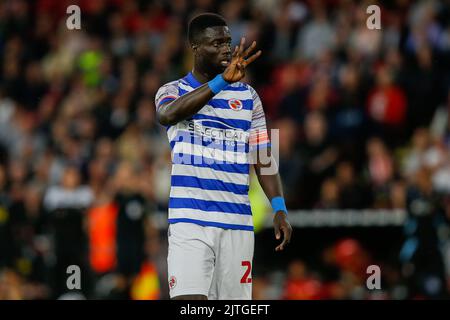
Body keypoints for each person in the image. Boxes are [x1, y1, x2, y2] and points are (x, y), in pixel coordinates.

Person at [154, 13, 292, 300]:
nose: (226, 49)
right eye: (216, 43)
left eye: (228, 42)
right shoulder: (172, 91)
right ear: (195, 48)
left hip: (237, 224)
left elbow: (263, 156)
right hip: (190, 222)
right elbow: (167, 114)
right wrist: (220, 83)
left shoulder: (249, 98)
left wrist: (279, 206)